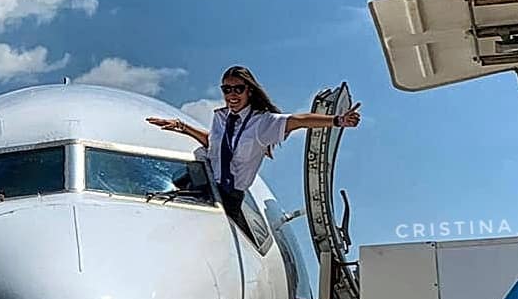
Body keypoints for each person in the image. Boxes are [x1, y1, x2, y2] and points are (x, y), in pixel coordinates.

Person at [146, 65, 361, 238]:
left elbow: (298, 121)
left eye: (238, 88)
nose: (232, 94)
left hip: (230, 198)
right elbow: (215, 146)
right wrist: (182, 127)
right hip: (204, 186)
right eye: (226, 89)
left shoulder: (262, 123)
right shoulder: (220, 118)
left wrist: (338, 120)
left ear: (249, 90)